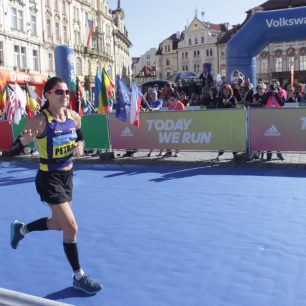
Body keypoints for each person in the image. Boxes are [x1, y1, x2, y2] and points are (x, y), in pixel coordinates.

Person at [6, 77, 102, 295]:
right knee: (71, 227)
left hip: (68, 178)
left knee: (59, 225)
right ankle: (79, 276)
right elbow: (10, 152)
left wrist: (80, 145)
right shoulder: (40, 121)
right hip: (48, 179)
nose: (64, 95)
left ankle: (22, 229)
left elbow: (81, 137)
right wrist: (22, 143)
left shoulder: (74, 117)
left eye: (67, 92)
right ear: (47, 94)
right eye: (59, 92)